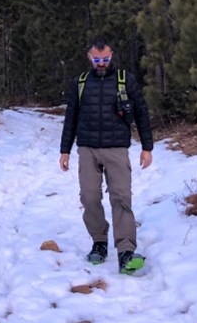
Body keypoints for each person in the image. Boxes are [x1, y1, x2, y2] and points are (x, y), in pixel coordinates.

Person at [59, 36, 154, 274]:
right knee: (89, 198)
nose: (101, 63)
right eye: (97, 58)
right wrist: (64, 150)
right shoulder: (80, 83)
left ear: (111, 55)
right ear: (89, 57)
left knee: (121, 198)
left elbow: (141, 112)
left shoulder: (125, 80)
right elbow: (71, 117)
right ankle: (99, 243)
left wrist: (147, 147)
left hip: (117, 149)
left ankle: (126, 252)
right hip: (87, 149)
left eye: (105, 58)